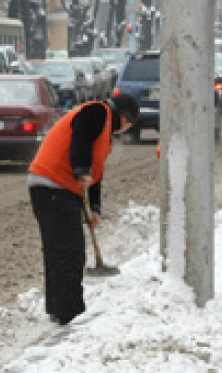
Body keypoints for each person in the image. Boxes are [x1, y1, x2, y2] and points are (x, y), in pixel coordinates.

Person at [27, 93, 138, 326]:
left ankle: (58, 308)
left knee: (60, 250)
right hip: (54, 186)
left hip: (54, 188)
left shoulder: (105, 132)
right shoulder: (98, 112)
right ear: (125, 118)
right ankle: (70, 311)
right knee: (69, 251)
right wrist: (81, 170)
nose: (125, 129)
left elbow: (96, 174)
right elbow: (81, 137)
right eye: (128, 124)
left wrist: (94, 208)